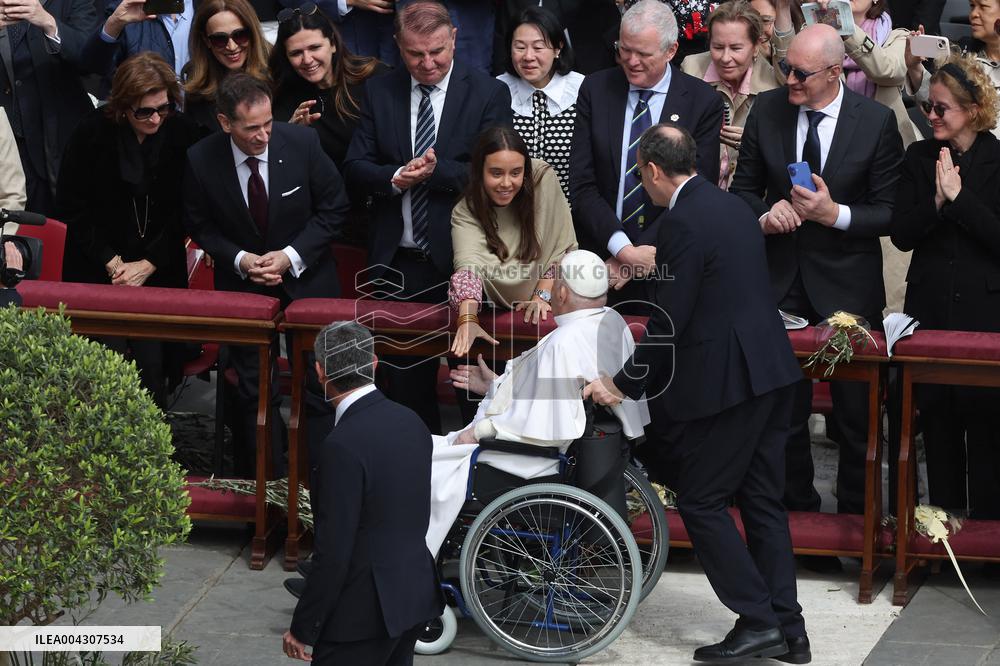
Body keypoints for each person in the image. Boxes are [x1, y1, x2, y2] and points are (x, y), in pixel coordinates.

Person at [584, 123, 809, 665]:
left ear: (654, 171)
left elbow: (669, 323)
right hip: (772, 373)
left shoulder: (682, 221)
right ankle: (789, 627)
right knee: (762, 504)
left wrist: (619, 384)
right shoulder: (731, 206)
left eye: (642, 175)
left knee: (703, 502)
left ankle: (758, 620)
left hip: (728, 383)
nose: (645, 184)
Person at [729, 24, 904, 517]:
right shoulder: (767, 110)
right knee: (782, 411)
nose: (790, 81)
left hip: (848, 282)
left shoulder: (874, 122)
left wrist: (836, 214)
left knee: (854, 416)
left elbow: (889, 212)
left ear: (834, 72)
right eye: (786, 69)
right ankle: (795, 514)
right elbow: (741, 190)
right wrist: (765, 217)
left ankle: (857, 517)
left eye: (801, 74)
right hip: (779, 279)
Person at [343, 0, 512, 433]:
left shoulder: (487, 92)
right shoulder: (380, 90)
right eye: (416, 53)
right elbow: (356, 165)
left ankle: (480, 490)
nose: (428, 62)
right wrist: (396, 177)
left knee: (474, 389)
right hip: (397, 266)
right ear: (398, 45)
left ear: (454, 37)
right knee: (404, 395)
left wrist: (438, 174)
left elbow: (498, 173)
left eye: (437, 50)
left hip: (465, 266)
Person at [429, 249, 649, 554]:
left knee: (426, 464)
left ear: (560, 291)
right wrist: (494, 386)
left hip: (528, 460)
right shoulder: (613, 321)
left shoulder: (564, 341)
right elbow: (550, 400)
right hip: (572, 448)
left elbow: (539, 426)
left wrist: (475, 433)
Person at [183, 72, 349, 476]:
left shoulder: (302, 143)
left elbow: (335, 208)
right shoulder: (201, 159)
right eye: (251, 128)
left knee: (320, 385)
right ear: (225, 123)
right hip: (244, 289)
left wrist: (290, 256)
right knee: (252, 391)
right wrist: (241, 260)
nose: (263, 136)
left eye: (268, 124)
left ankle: (317, 487)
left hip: (308, 283)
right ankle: (262, 491)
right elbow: (200, 226)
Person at [283, 320, 442, 665]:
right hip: (411, 597)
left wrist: (303, 627)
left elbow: (334, 551)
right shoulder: (412, 422)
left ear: (320, 372)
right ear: (373, 364)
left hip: (360, 616)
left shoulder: (341, 445)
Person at [57, 52, 204, 406]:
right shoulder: (91, 132)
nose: (155, 118)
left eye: (163, 108)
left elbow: (189, 209)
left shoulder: (181, 132)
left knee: (152, 367)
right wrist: (112, 262)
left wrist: (149, 263)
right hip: (98, 265)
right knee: (99, 366)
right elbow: (72, 206)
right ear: (123, 107)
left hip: (159, 266)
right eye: (145, 111)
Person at [890, 55, 1000, 519]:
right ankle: (942, 538)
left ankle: (990, 544)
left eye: (941, 109)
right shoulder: (917, 158)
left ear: (973, 110)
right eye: (929, 107)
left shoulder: (998, 159)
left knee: (988, 431)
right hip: (930, 310)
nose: (931, 116)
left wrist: (960, 199)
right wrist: (936, 200)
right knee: (937, 424)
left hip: (984, 313)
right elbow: (901, 233)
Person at [569, 0, 723, 314]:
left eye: (643, 54)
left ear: (670, 51)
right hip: (603, 261)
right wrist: (622, 249)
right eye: (625, 50)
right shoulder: (595, 89)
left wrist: (642, 253)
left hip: (670, 262)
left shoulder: (702, 101)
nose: (632, 61)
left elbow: (696, 189)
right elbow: (582, 184)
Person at [449, 127, 577, 357]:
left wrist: (541, 296)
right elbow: (468, 268)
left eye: (516, 173)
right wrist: (468, 319)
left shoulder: (542, 179)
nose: (506, 183)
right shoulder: (465, 211)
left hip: (546, 316)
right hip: (489, 318)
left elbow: (561, 247)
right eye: (496, 173)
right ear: (480, 171)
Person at [270, 3, 387, 247]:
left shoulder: (374, 78)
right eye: (296, 53)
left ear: (333, 43)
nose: (307, 60)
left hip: (380, 210)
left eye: (314, 47)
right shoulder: (283, 97)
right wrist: (290, 134)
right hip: (322, 221)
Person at [0, 0, 98, 216]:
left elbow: (93, 59)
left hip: (60, 145)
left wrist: (48, 22)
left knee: (64, 235)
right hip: (7, 150)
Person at [681, 1, 780, 188]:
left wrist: (754, 142)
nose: (725, 58)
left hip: (749, 194)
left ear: (756, 46)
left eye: (736, 48)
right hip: (698, 188)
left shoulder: (773, 83)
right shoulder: (690, 70)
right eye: (717, 47)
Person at [496, 6, 583, 199]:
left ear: (558, 48)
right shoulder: (496, 90)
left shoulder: (582, 91)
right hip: (509, 209)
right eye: (519, 47)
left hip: (569, 213)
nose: (528, 57)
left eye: (538, 47)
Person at [904, 0, 1000, 139]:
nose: (973, 14)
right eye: (972, 6)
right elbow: (937, 105)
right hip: (961, 149)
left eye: (983, 7)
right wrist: (914, 67)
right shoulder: (962, 53)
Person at [182, 0, 270, 132]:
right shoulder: (197, 85)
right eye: (220, 39)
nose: (232, 47)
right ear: (206, 41)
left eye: (240, 35)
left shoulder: (275, 69)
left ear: (252, 33)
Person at [82, 0, 197, 96]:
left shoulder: (205, 7)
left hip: (195, 118)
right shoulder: (125, 8)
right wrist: (114, 24)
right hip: (142, 117)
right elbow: (94, 66)